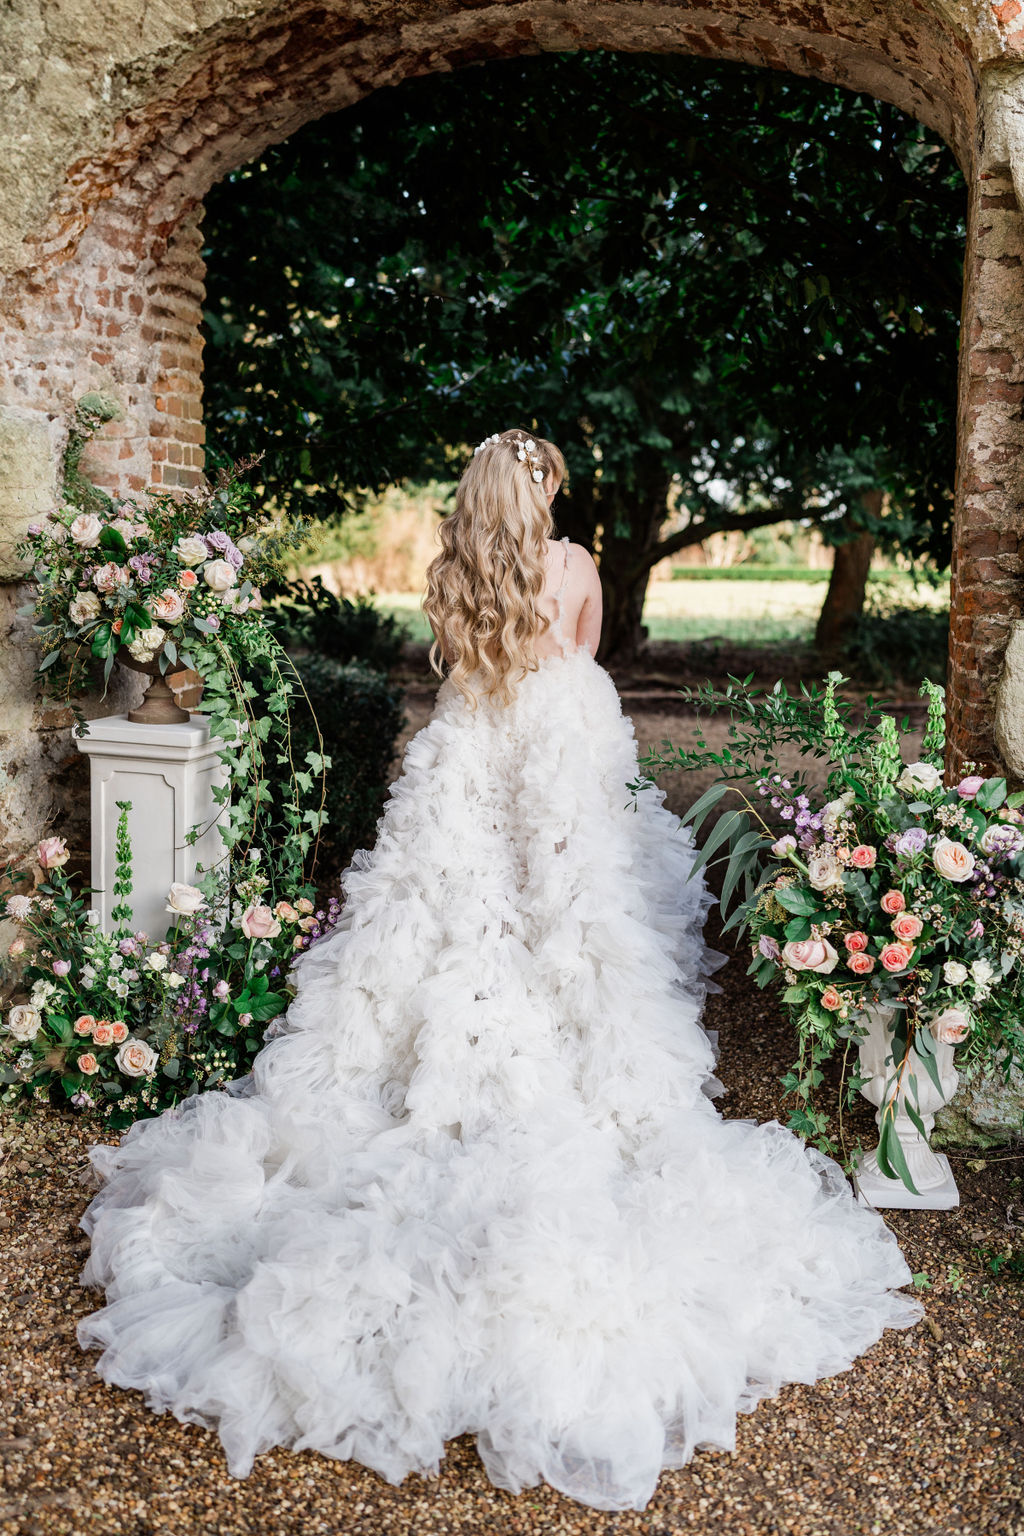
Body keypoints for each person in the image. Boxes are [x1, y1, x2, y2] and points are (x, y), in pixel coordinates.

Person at [76, 428, 922, 1513]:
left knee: (442, 923)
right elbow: (587, 660)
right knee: (574, 919)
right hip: (561, 749)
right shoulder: (570, 570)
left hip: (471, 754)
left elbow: (469, 685)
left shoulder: (453, 575)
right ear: (546, 492)